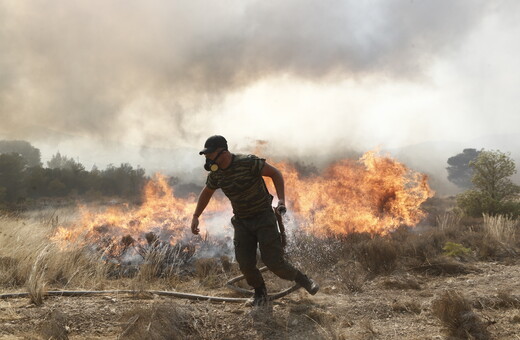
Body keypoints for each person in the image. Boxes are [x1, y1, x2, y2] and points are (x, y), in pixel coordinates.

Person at [190, 135, 319, 306]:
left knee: (273, 262)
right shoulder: (217, 174)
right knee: (245, 263)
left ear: (222, 153)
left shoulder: (248, 162)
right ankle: (260, 292)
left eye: (210, 154)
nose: (207, 159)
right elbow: (207, 193)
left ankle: (303, 280)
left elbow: (275, 173)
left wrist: (281, 200)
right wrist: (196, 216)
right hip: (242, 222)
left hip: (263, 217)